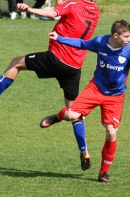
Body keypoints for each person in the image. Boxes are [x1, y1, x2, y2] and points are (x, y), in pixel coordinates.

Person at [0, 0, 102, 158]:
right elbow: (65, 13)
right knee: (73, 112)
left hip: (55, 58)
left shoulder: (73, 4)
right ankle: (84, 151)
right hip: (74, 67)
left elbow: (54, 12)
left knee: (16, 62)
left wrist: (30, 9)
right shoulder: (95, 12)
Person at [41, 19, 130, 183]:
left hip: (115, 97)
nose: (128, 39)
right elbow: (82, 43)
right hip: (95, 89)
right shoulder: (100, 42)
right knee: (71, 115)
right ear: (115, 35)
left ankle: (103, 173)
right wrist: (59, 38)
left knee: (111, 133)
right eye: (126, 36)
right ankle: (58, 116)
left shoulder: (129, 49)